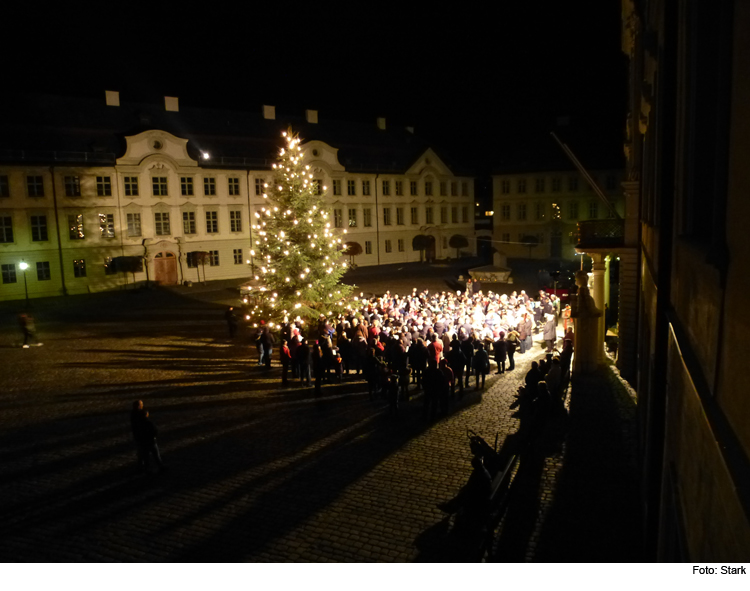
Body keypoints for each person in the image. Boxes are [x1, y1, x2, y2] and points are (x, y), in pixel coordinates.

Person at [436, 455, 492, 522]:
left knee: (463, 496)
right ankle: (450, 507)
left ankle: (450, 507)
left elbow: (472, 487)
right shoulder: (481, 472)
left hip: (480, 497)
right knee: (462, 494)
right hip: (481, 493)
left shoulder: (478, 474)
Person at [130, 400, 165, 474]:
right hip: (149, 441)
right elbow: (154, 431)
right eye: (141, 404)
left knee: (143, 454)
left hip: (141, 439)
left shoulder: (134, 415)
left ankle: (143, 467)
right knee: (153, 454)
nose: (142, 405)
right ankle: (154, 467)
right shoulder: (147, 422)